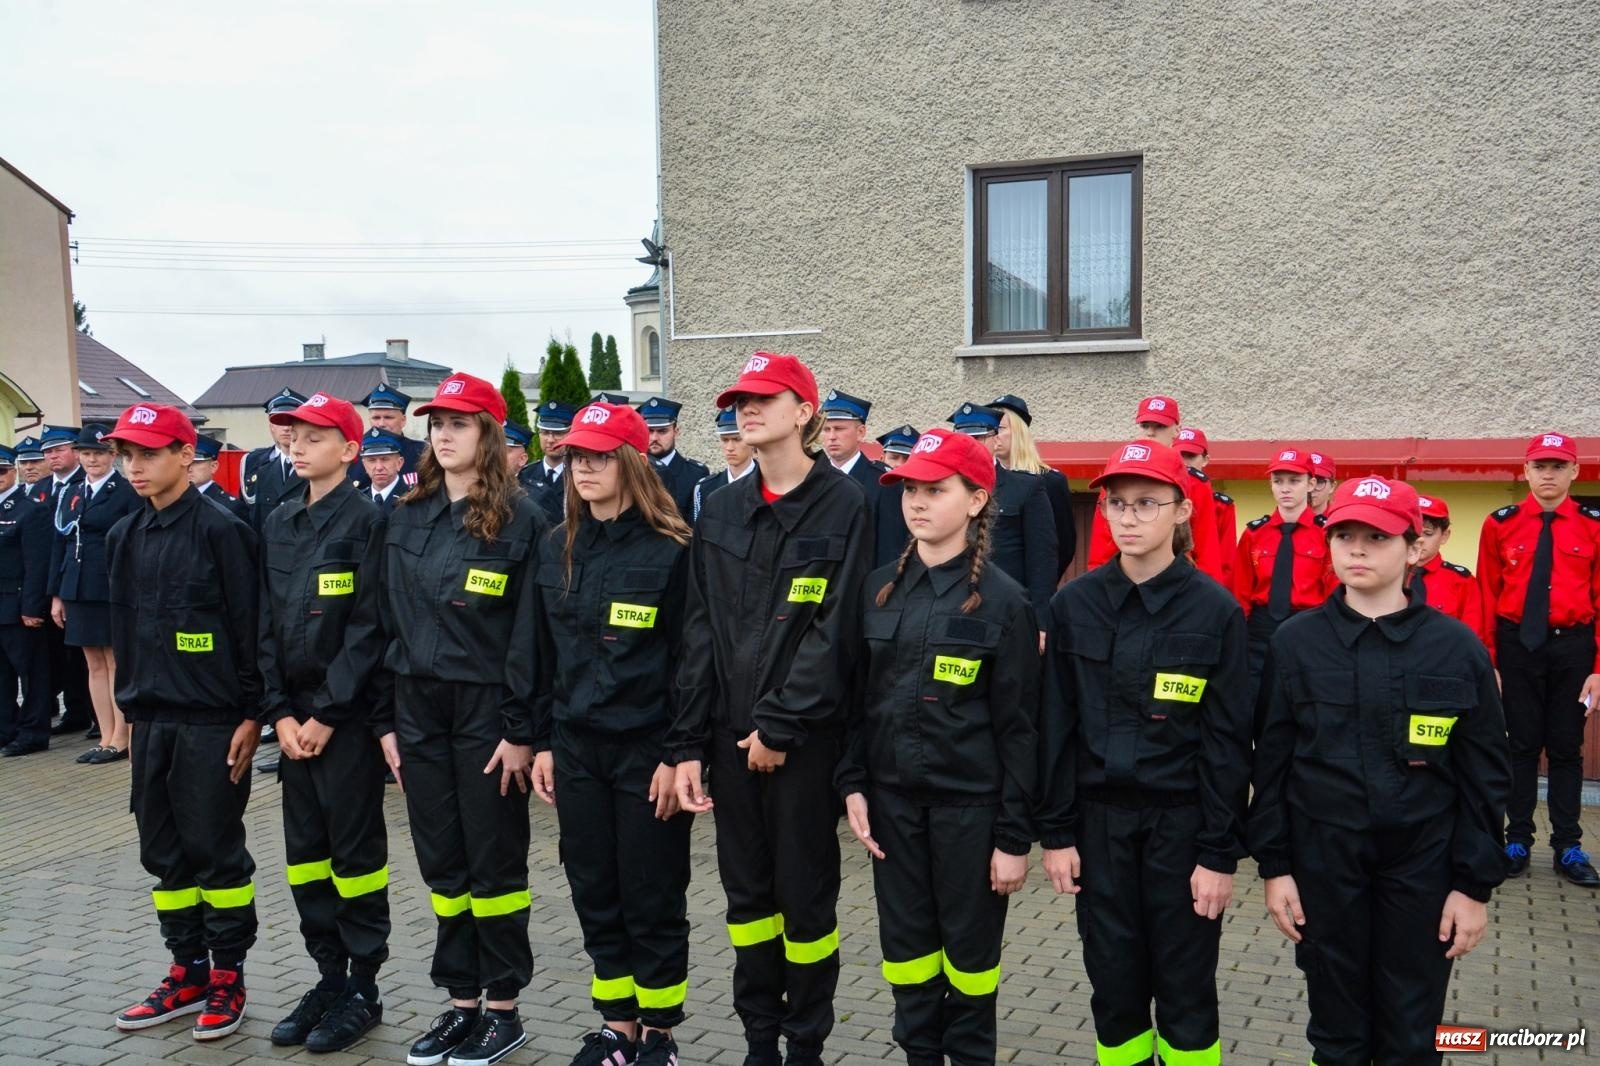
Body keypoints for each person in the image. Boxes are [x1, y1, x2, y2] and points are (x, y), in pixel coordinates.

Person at [1250, 475, 1510, 1065]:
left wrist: (1473, 886)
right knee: (1337, 1033)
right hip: (1324, 860)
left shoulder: (1456, 648)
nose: (1358, 549)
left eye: (1377, 536)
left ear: (1414, 548)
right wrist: (1276, 867)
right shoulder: (1295, 644)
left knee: (1411, 1036)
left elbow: (1485, 776)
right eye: (1344, 534)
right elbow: (1270, 762)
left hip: (1423, 863)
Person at [669, 352, 871, 1066]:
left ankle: (806, 1043)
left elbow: (838, 633)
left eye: (763, 398)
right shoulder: (721, 509)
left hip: (803, 745)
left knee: (806, 901)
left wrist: (781, 725)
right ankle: (759, 1037)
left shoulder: (849, 507)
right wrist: (687, 744)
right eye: (738, 402)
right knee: (747, 900)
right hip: (728, 741)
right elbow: (700, 632)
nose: (745, 411)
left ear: (804, 412)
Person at [1037, 440, 1251, 1066]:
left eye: (1147, 504)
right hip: (1098, 829)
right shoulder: (1073, 605)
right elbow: (1056, 728)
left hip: (1182, 831)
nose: (1128, 518)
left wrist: (1219, 852)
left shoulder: (1214, 611)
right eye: (1116, 504)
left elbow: (1227, 742)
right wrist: (1055, 834)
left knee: (1186, 992)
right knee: (1114, 988)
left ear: (1182, 510)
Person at [838, 427, 1039, 1066]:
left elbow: (1020, 729)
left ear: (977, 500)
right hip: (893, 812)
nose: (917, 503)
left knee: (971, 969)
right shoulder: (876, 590)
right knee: (907, 959)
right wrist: (853, 786)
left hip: (970, 817)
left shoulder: (1004, 603)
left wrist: (1012, 840)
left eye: (935, 489)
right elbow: (854, 705)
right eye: (909, 490)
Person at [528, 401, 697, 1066]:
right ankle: (617, 1028)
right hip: (575, 749)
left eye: (599, 455)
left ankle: (659, 1032)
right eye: (576, 456)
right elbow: (540, 656)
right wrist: (541, 741)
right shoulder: (556, 547)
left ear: (630, 461)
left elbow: (691, 663)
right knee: (594, 886)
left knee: (651, 891)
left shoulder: (672, 549)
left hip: (645, 752)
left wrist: (676, 752)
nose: (584, 467)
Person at [384, 372, 545, 1066]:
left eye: (459, 423)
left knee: (493, 861)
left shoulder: (524, 518)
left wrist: (520, 730)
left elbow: (531, 639)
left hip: (487, 711)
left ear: (489, 433)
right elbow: (382, 618)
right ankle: (459, 1002)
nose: (443, 435)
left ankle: (503, 1009)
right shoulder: (407, 513)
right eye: (436, 424)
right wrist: (384, 721)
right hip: (417, 709)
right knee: (443, 863)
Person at [104, 403, 261, 1041]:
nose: (135, 466)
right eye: (127, 455)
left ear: (183, 455)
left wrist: (254, 715)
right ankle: (186, 970)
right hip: (153, 722)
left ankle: (228, 977)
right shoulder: (123, 536)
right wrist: (131, 715)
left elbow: (251, 629)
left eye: (148, 453)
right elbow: (124, 634)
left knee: (215, 856)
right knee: (163, 854)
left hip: (214, 721)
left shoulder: (223, 531)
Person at [257, 392, 396, 1054]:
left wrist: (326, 715)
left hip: (344, 725)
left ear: (349, 448)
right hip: (293, 727)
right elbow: (263, 625)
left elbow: (370, 630)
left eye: (314, 436)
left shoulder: (368, 524)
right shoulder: (279, 518)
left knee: (355, 860)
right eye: (293, 436)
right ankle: (328, 978)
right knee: (306, 861)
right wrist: (279, 715)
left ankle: (364, 987)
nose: (298, 445)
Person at [1478, 432, 1600, 887]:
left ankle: (1568, 846)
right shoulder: (1500, 524)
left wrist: (1598, 669)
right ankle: (1517, 841)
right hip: (1517, 647)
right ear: (1525, 471)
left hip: (1574, 648)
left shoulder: (1593, 524)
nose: (1548, 474)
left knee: (1567, 750)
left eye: (1557, 466)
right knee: (1521, 746)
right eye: (1540, 466)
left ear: (1575, 472)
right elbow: (1488, 594)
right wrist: (1488, 660)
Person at [49, 424, 141, 764]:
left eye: (99, 453)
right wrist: (57, 594)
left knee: (116, 661)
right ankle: (105, 735)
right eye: (86, 453)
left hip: (110, 585)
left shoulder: (125, 491)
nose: (92, 459)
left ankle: (123, 735)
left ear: (112, 455)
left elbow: (132, 543)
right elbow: (59, 544)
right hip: (77, 585)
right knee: (93, 663)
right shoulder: (72, 492)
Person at [1230, 447, 1336, 706]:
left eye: (1294, 481)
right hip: (1260, 630)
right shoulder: (1255, 533)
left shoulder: (1327, 534)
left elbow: (1333, 592)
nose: (1285, 489)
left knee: (1303, 701)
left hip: (1308, 628)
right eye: (1278, 481)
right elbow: (1240, 590)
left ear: (1311, 484)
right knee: (1254, 701)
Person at [947, 403, 1056, 638]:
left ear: (996, 440)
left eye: (978, 438)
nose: (970, 446)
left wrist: (1040, 622)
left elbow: (1042, 559)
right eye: (963, 439)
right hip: (953, 605)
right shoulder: (944, 489)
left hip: (1008, 609)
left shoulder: (1026, 487)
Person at [1087, 397, 1223, 583]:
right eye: (1145, 425)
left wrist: (1206, 601)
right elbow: (1102, 547)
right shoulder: (1118, 478)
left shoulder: (1195, 483)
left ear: (1177, 430)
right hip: (1124, 582)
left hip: (1179, 584)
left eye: (1160, 426)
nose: (1150, 432)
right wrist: (1098, 590)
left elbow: (1207, 550)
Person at [35, 423, 94, 736]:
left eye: (58, 449)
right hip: (44, 580)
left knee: (82, 653)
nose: (52, 456)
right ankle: (72, 710)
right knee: (56, 651)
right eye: (48, 452)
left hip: (76, 579)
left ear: (75, 451)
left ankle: (90, 713)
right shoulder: (42, 487)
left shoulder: (87, 483)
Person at [0, 446, 54, 757]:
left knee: (31, 673)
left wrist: (33, 608)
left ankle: (34, 732)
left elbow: (37, 565)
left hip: (19, 604)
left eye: (3, 471)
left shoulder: (30, 509)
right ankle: (5, 728)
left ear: (14, 471)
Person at [820, 388, 908, 568]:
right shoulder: (814, 478)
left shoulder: (883, 482)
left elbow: (889, 551)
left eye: (839, 429)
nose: (831, 437)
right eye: (826, 429)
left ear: (860, 432)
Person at [989, 394, 1077, 573]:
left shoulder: (1051, 482)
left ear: (1019, 433)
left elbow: (1064, 546)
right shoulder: (982, 481)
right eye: (989, 428)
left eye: (999, 428)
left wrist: (1039, 587)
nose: (993, 435)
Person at [1412, 494, 1488, 647]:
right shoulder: (1386, 576)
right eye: (1412, 531)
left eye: (1427, 533)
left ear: (1444, 536)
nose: (1419, 540)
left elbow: (1473, 638)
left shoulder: (1461, 581)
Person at [1175, 427, 1237, 585]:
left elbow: (1226, 563)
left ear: (1205, 460)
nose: (1184, 463)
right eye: (1179, 455)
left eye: (1190, 456)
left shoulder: (1221, 506)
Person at [244, 388, 308, 532]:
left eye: (291, 420)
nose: (286, 428)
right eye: (279, 420)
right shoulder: (260, 467)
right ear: (271, 425)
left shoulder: (317, 464)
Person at [638, 396, 710, 524]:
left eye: (662, 431)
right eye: (649, 431)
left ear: (676, 432)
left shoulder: (696, 474)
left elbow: (698, 527)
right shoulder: (634, 469)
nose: (654, 437)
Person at [692, 406, 757, 524]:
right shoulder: (705, 487)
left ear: (750, 440)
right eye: (724, 439)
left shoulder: (769, 483)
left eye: (737, 439)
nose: (730, 448)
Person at [352, 383, 426, 481]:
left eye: (388, 417)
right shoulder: (355, 455)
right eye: (376, 418)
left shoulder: (422, 453)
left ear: (403, 420)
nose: (381, 424)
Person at [522, 400, 576, 523]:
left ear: (571, 433)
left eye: (558, 433)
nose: (550, 440)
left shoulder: (579, 474)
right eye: (545, 432)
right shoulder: (525, 475)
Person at [189, 437, 248, 522]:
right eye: (185, 462)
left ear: (213, 466)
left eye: (196, 463)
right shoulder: (172, 501)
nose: (189, 469)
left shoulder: (230, 507)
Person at [355, 428, 408, 516]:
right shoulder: (355, 500)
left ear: (399, 463)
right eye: (372, 460)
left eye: (385, 459)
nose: (379, 467)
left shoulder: (413, 498)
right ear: (364, 465)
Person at [1308, 452, 1337, 517]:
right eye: (1308, 481)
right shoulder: (1286, 520)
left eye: (1319, 482)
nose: (1312, 488)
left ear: (1332, 486)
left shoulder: (1340, 520)